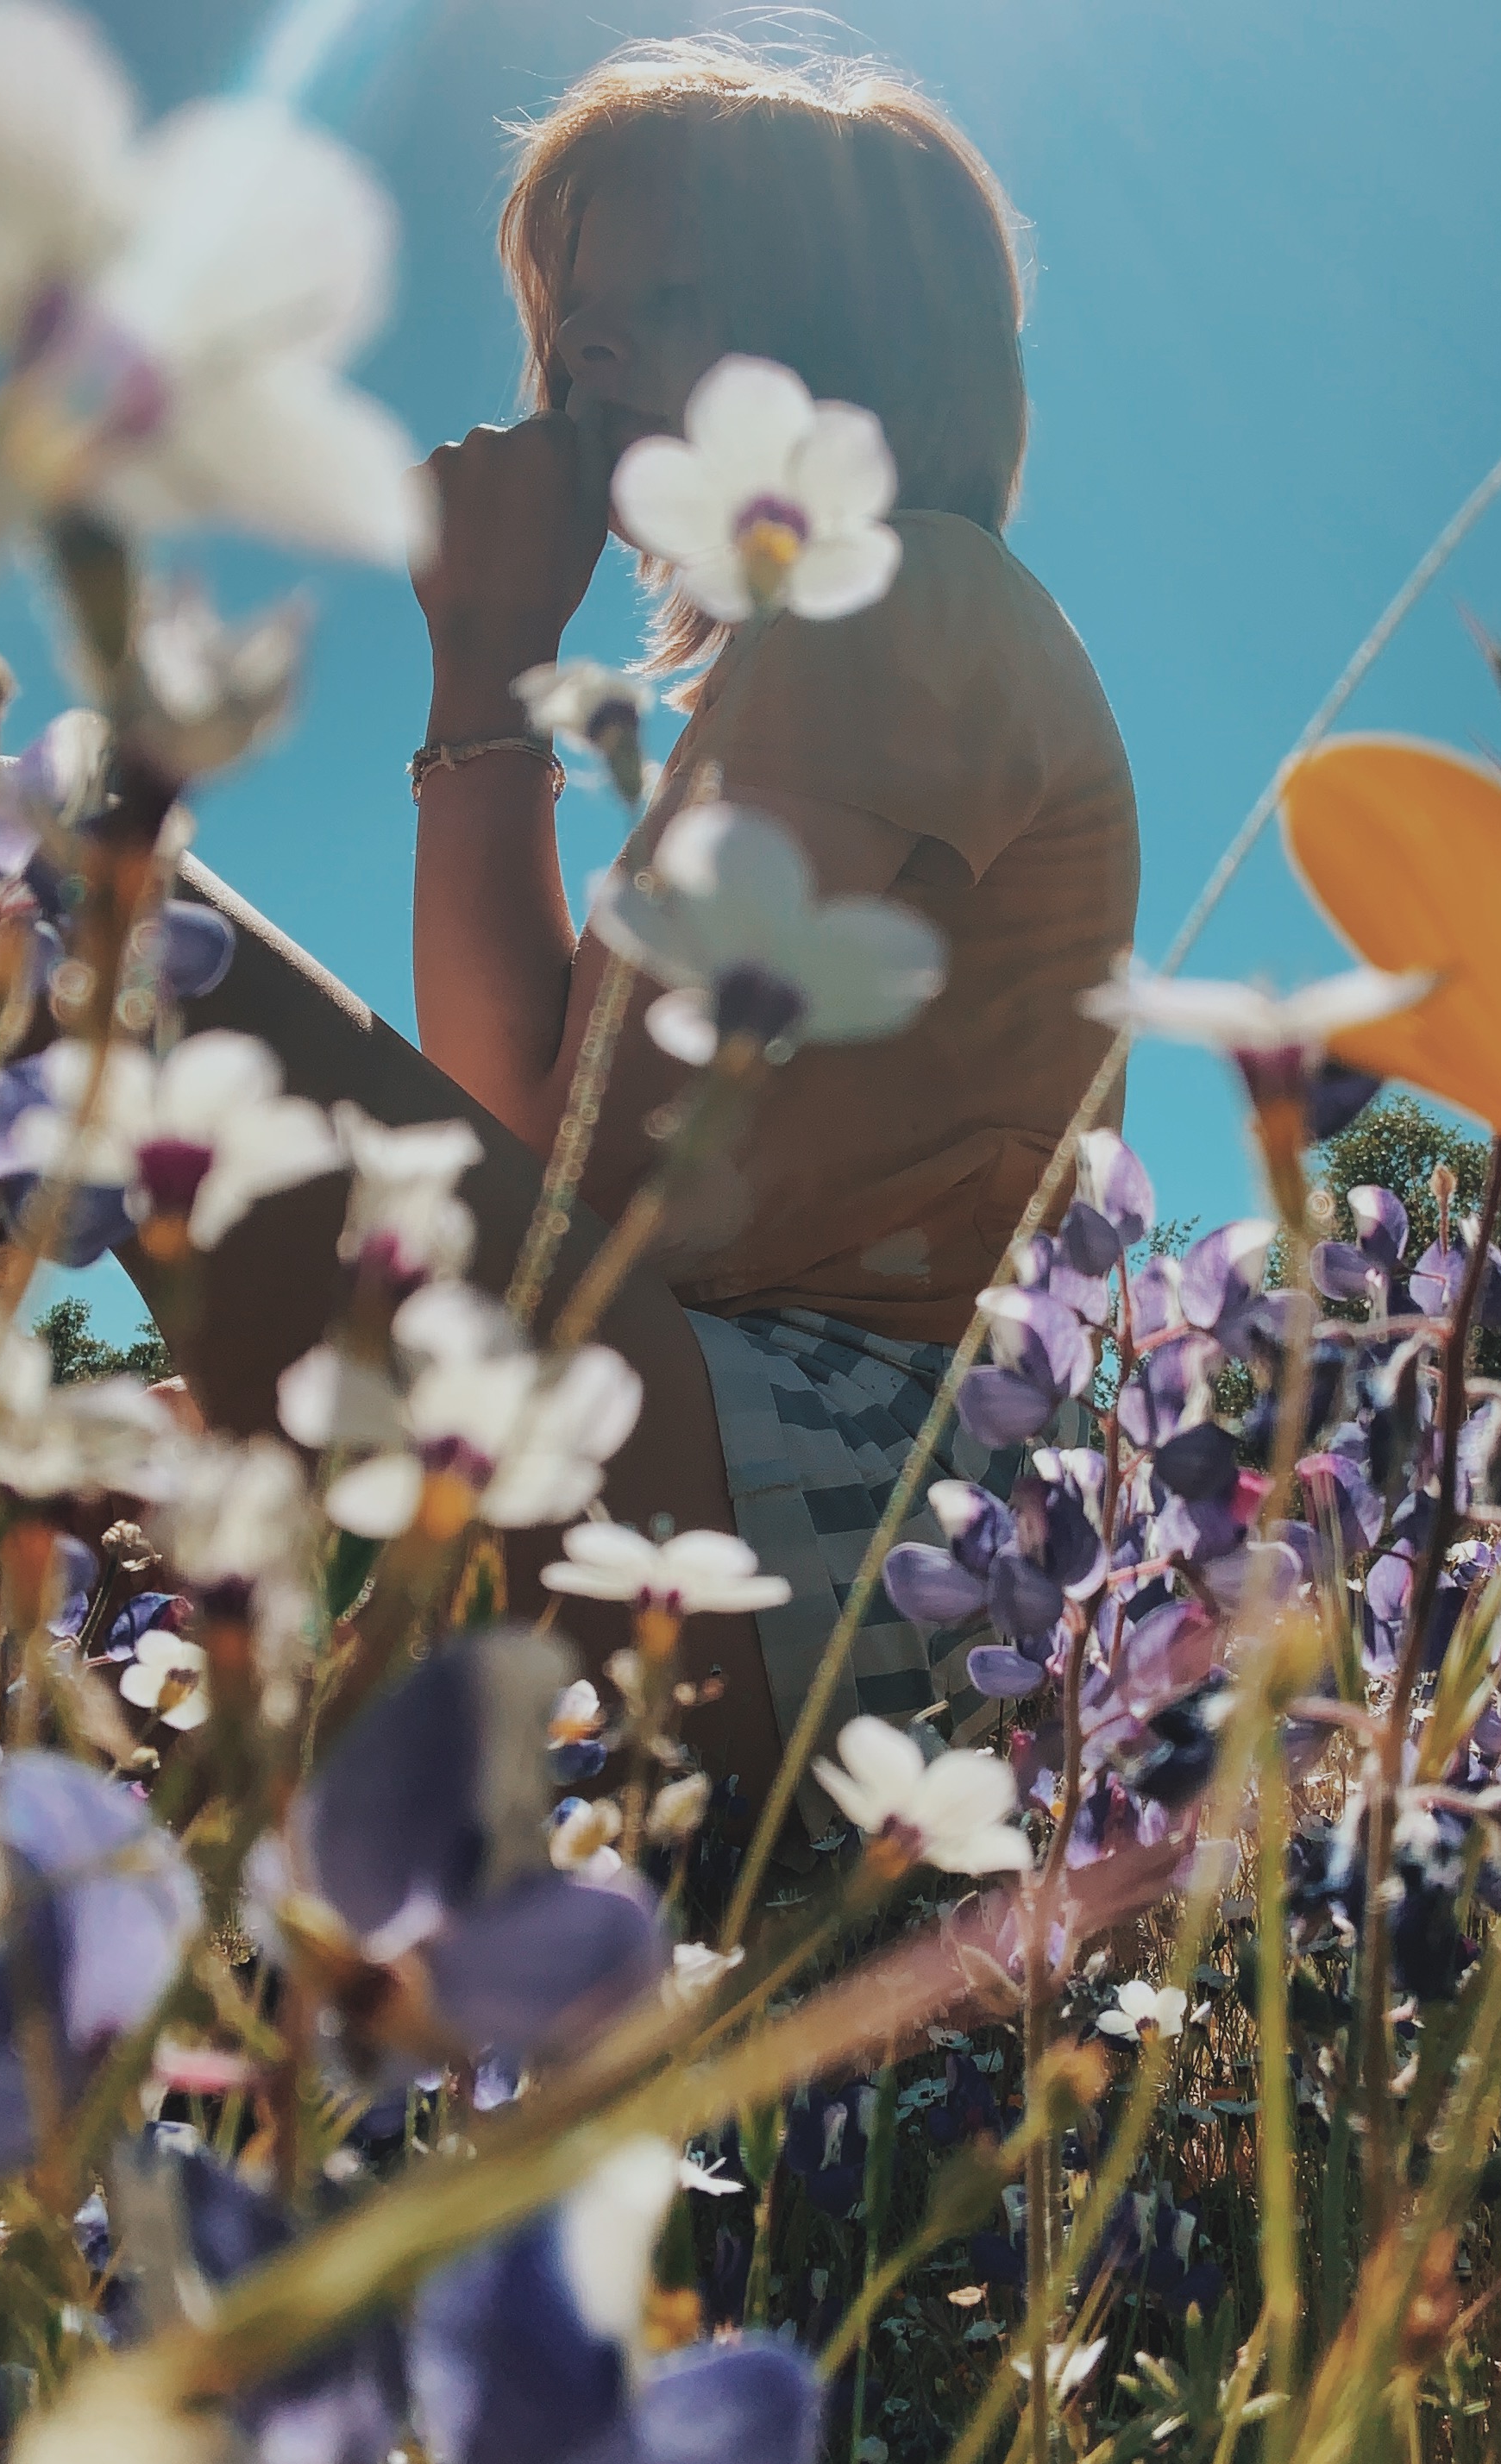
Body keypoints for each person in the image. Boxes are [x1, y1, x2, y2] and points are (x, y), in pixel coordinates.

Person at [160, 41, 1140, 1807]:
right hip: (869, 1523)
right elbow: (530, 1149)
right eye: (576, 316)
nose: (588, 354)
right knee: (65, 1497)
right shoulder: (852, 643)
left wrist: (485, 658)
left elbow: (563, 1178)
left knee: (63, 900)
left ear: (857, 351)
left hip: (856, 1506)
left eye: (669, 299)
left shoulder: (901, 595)